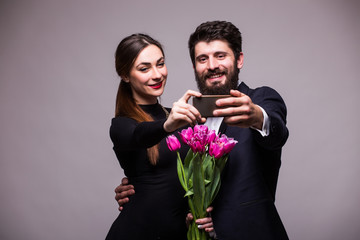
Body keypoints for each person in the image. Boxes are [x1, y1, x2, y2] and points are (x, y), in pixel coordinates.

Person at [115, 21, 290, 240]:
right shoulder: (189, 119)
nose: (212, 65)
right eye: (202, 59)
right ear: (195, 66)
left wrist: (257, 117)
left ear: (239, 60)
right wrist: (140, 188)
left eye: (220, 56)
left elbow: (277, 133)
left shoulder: (261, 99)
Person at [106, 33, 213, 240]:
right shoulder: (122, 124)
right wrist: (167, 125)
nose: (157, 75)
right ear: (125, 75)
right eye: (144, 68)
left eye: (160, 64)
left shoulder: (175, 117)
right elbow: (139, 135)